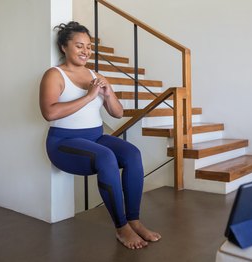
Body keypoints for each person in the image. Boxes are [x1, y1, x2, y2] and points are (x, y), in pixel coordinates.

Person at [39, 21, 161, 249]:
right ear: (64, 47)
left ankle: (134, 220)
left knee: (132, 153)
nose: (86, 51)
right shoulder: (54, 75)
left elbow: (117, 113)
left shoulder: (95, 75)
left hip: (95, 137)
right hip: (63, 143)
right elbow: (49, 112)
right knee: (106, 157)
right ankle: (121, 227)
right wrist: (89, 95)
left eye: (89, 46)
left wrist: (107, 93)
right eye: (79, 45)